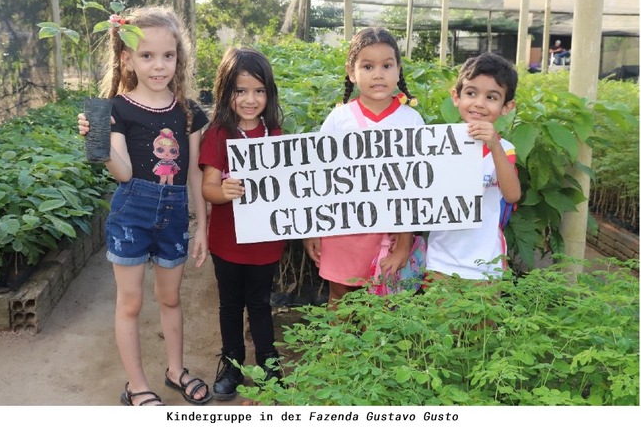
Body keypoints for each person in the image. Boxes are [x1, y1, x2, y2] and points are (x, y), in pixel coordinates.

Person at [77, 6, 211, 406]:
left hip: (173, 218)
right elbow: (123, 172)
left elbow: (194, 175)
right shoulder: (116, 110)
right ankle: (136, 385)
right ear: (127, 59)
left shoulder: (188, 113)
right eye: (147, 56)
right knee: (131, 302)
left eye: (167, 56)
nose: (158, 66)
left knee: (171, 298)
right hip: (130, 215)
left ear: (178, 58)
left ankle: (175, 370)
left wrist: (201, 226)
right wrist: (98, 145)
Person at [303, 27, 425, 309]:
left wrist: (404, 244)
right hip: (342, 231)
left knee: (383, 305)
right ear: (351, 71)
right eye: (368, 66)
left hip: (391, 233)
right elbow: (316, 179)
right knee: (340, 297)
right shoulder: (338, 119)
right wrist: (312, 231)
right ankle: (337, 353)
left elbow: (417, 189)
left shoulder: (411, 120)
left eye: (387, 65)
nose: (378, 74)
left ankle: (373, 353)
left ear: (399, 69)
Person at [198, 47, 286, 400]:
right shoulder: (219, 134)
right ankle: (232, 364)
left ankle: (268, 363)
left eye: (259, 91)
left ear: (269, 93)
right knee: (230, 305)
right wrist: (223, 190)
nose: (251, 100)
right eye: (241, 91)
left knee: (262, 304)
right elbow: (207, 187)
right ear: (226, 92)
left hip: (266, 243)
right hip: (227, 241)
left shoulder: (276, 135)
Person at [425, 52, 521, 283]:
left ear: (507, 107)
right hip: (440, 261)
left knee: (483, 319)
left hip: (485, 265)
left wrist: (494, 146)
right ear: (456, 97)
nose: (479, 103)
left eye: (491, 97)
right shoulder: (437, 144)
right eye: (471, 93)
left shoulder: (504, 149)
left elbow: (512, 194)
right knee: (436, 318)